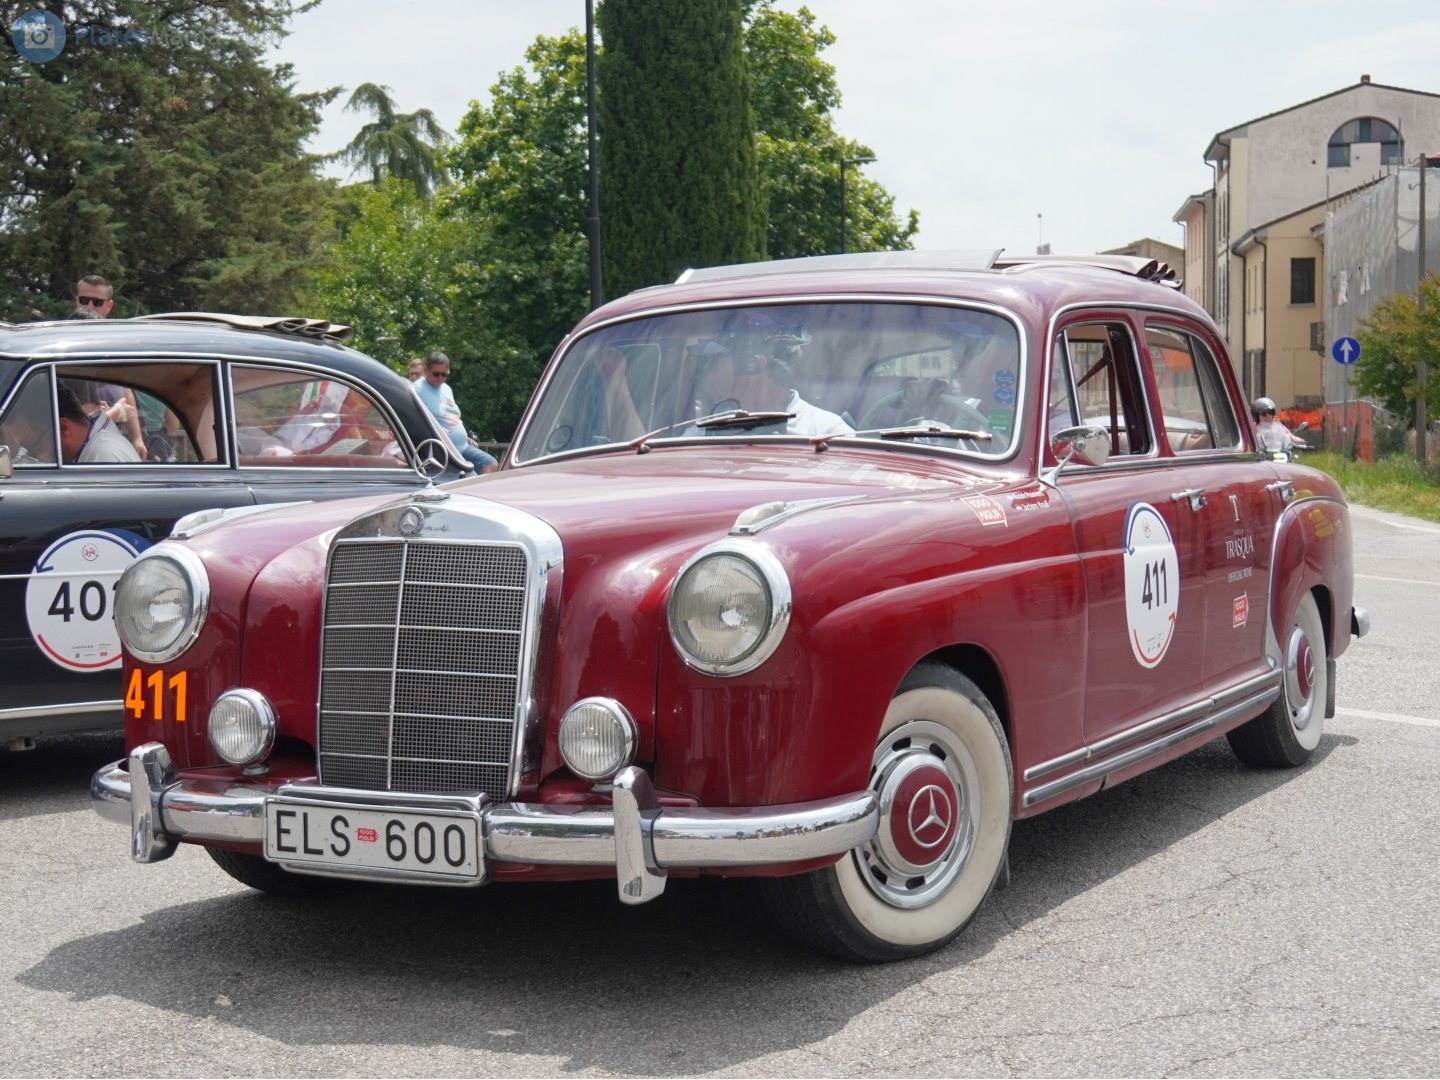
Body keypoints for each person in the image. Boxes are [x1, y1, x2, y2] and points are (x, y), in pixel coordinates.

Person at [693, 337, 851, 437]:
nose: (706, 375)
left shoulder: (827, 431)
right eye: (704, 366)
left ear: (755, 365)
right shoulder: (704, 433)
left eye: (713, 364)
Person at [412, 351, 499, 473]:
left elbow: (452, 416)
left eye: (444, 374)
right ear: (426, 370)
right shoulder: (417, 389)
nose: (440, 378)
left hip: (462, 446)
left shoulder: (447, 389)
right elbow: (417, 421)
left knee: (491, 464)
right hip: (444, 451)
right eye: (436, 374)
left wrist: (463, 435)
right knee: (484, 467)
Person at [56, 384, 140, 463]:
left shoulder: (104, 454)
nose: (42, 452)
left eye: (42, 437)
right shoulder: (96, 449)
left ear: (63, 428)